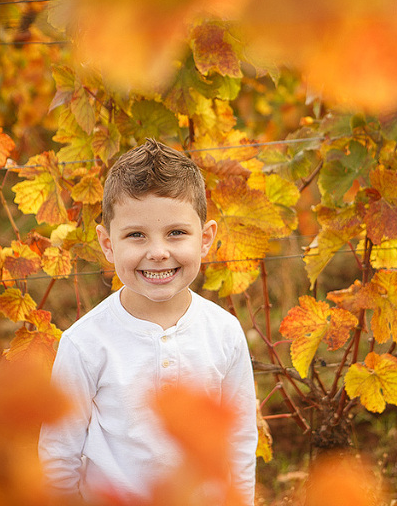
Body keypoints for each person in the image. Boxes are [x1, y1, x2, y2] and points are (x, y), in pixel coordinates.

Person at [38, 139, 258, 504]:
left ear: (205, 239)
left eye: (176, 233)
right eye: (136, 235)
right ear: (108, 244)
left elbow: (238, 439)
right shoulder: (85, 343)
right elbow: (59, 454)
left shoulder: (224, 333)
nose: (158, 252)